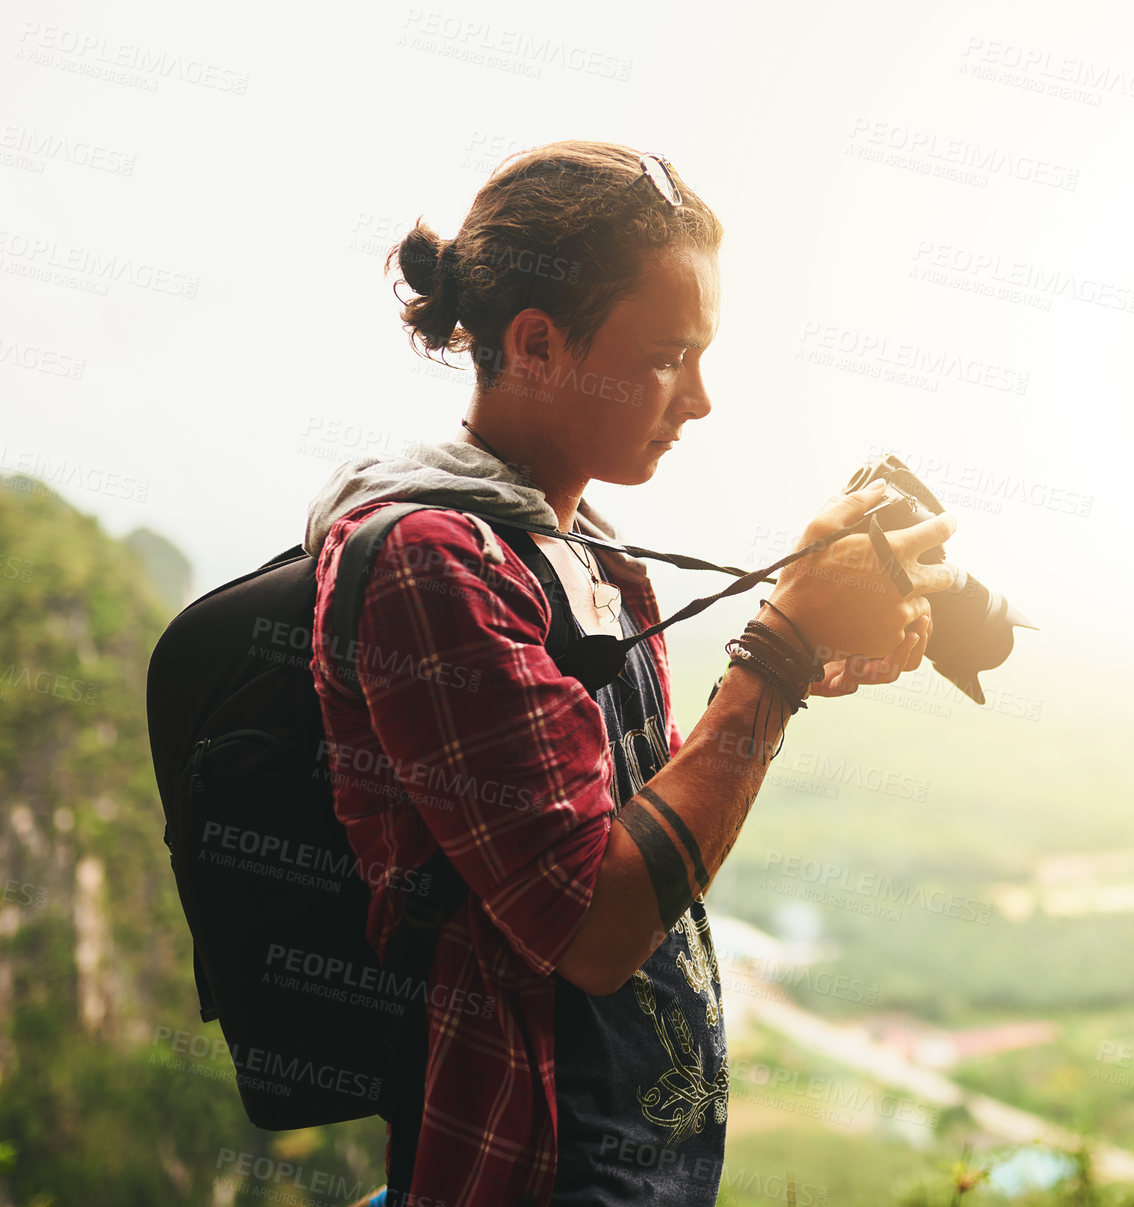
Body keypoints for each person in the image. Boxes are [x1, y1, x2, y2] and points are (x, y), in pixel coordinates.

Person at [303, 139, 958, 1206]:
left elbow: (620, 817)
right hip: (531, 1171)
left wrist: (804, 656)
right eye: (666, 354)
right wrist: (776, 657)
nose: (697, 398)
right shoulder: (432, 564)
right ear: (538, 343)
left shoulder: (579, 549)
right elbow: (597, 922)